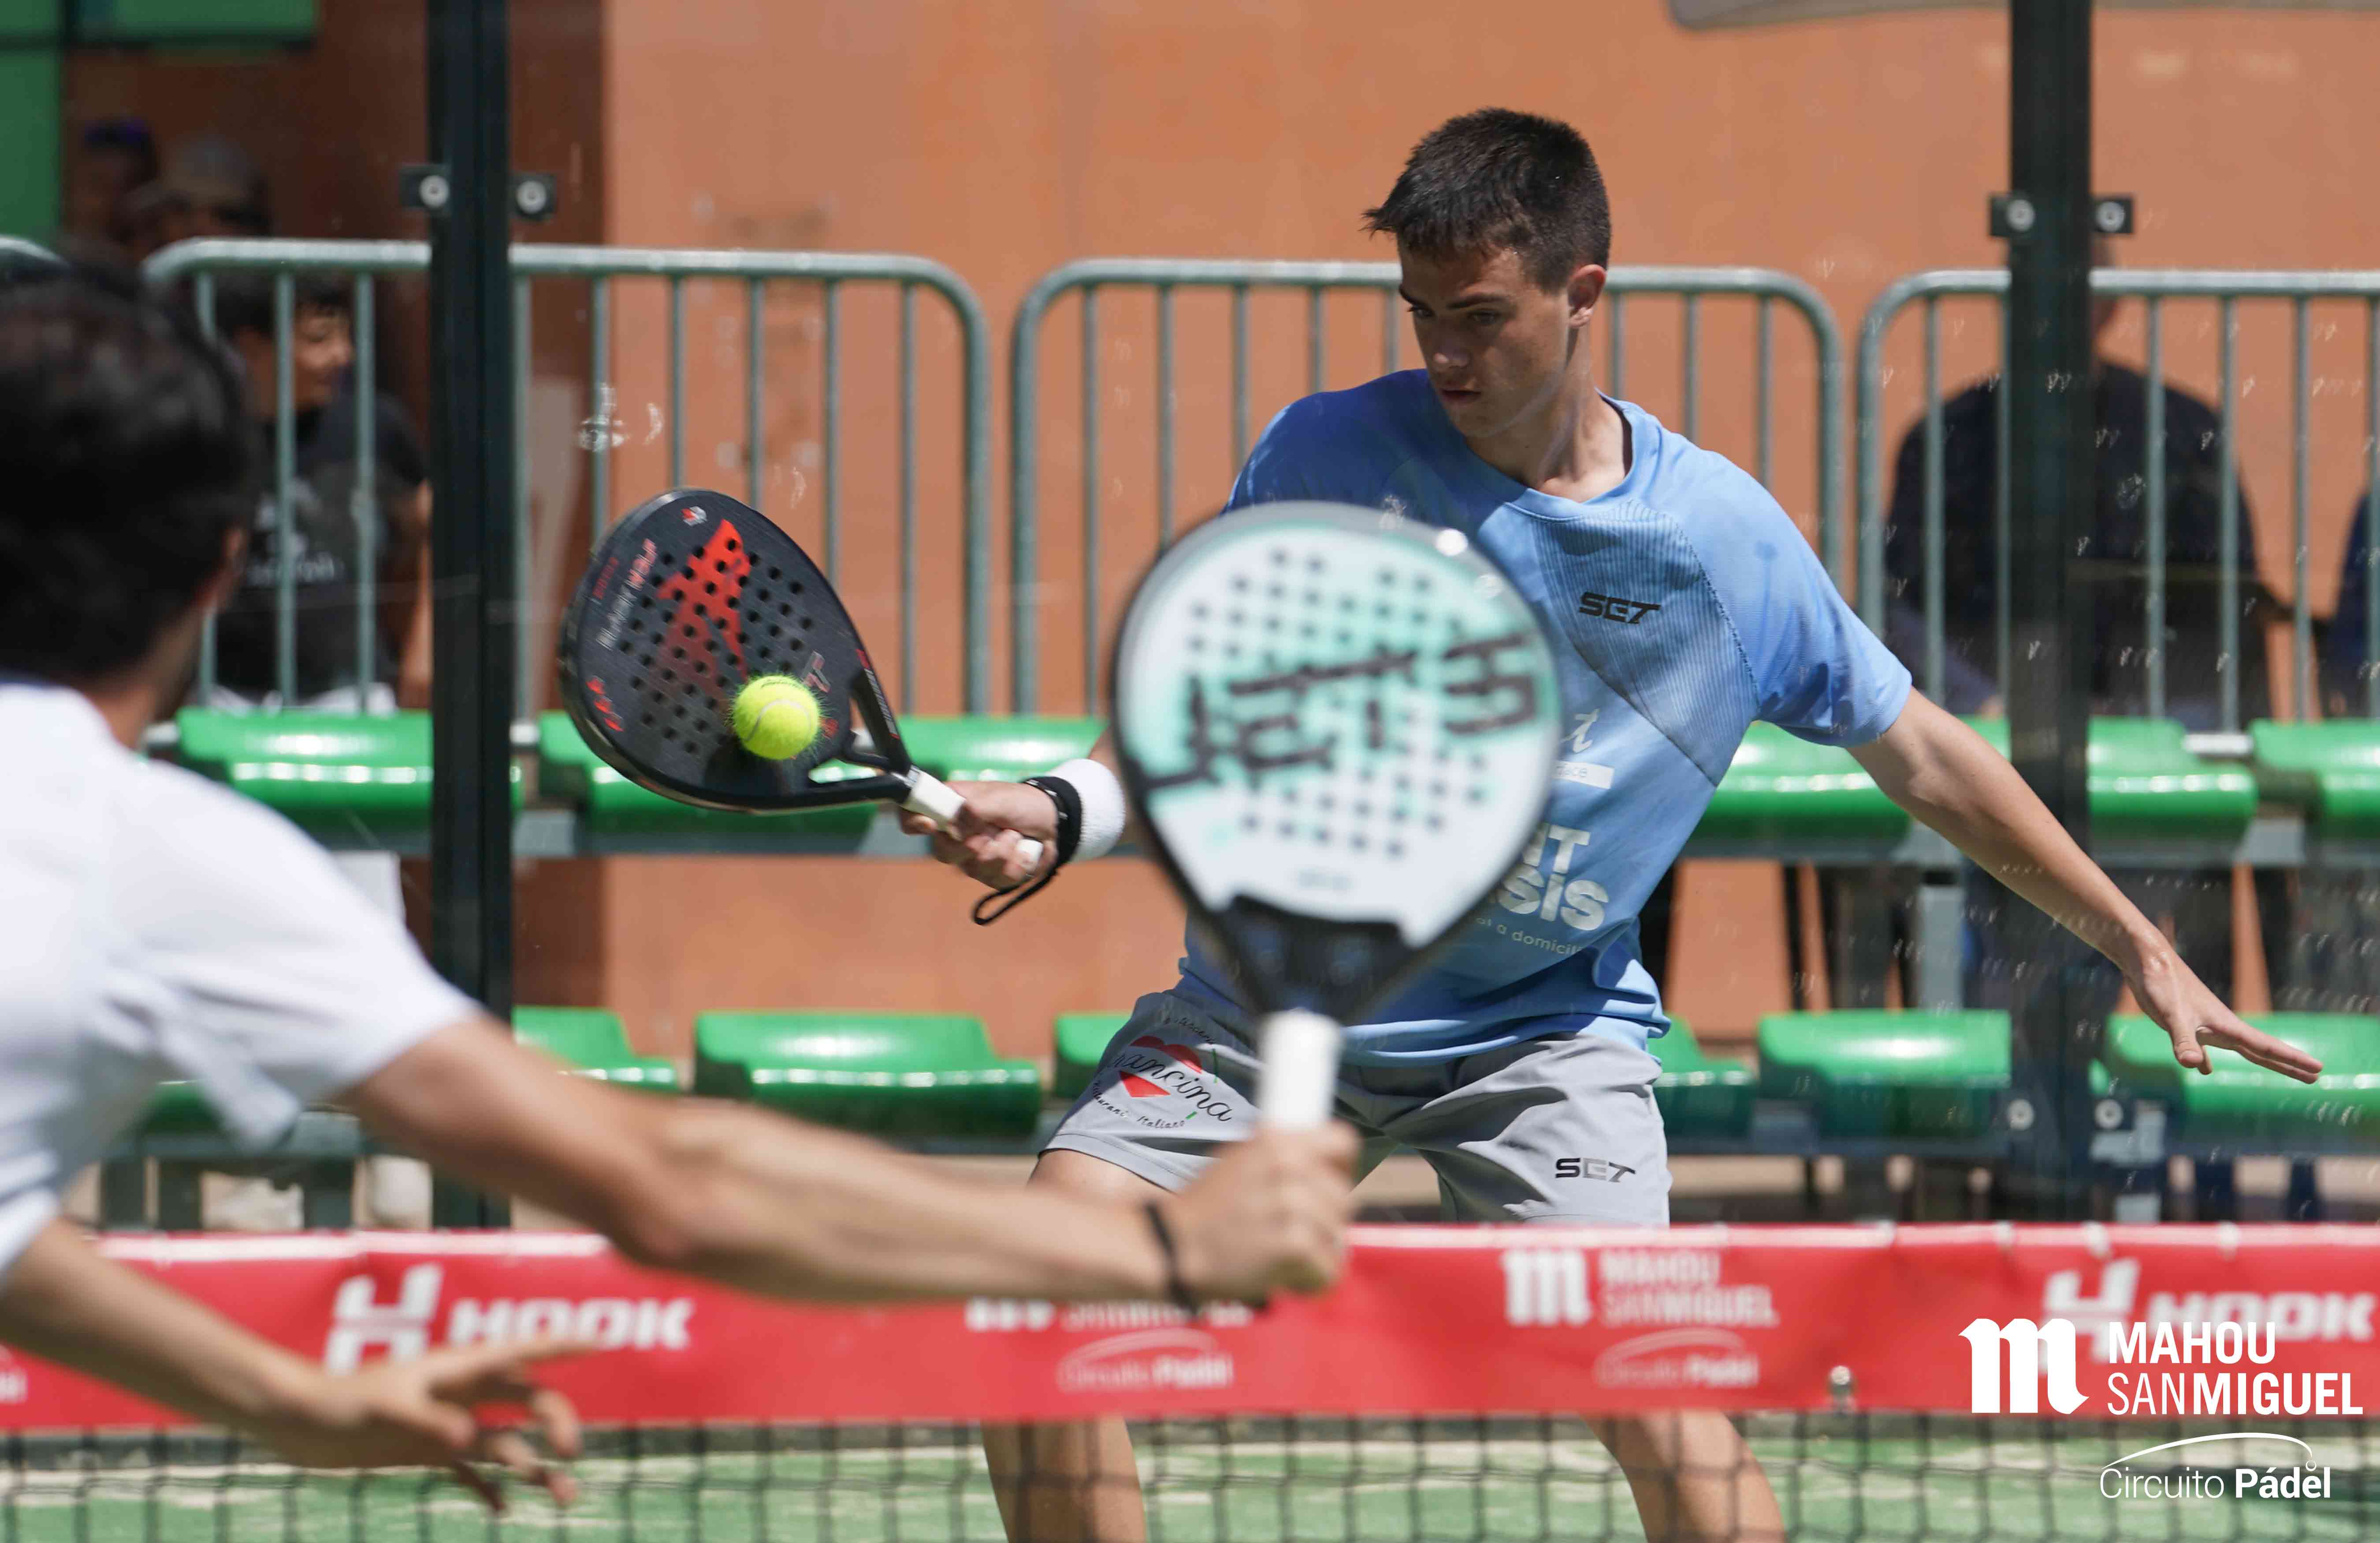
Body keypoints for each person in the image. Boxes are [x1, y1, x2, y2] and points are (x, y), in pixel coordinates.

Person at [905, 110, 2322, 1543]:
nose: (1446, 357)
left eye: (1481, 317)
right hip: (1268, 1014)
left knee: (1662, 1398)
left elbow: (1927, 753)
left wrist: (2136, 941)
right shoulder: (1330, 453)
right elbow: (1196, 701)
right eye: (1420, 315)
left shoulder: (1718, 543)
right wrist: (1068, 808)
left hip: (1543, 1040)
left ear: (1583, 292)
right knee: (1035, 1297)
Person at [0, 272, 1356, 1507]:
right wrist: (1163, 1257)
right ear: (222, 567)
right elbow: (673, 1182)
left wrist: (285, 1398)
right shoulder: (156, 857)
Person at [1846, 241, 2278, 1016]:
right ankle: (1996, 1064)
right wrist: (1977, 705)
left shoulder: (2183, 430)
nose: (2051, 316)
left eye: (2073, 293)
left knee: (2143, 866)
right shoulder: (1948, 435)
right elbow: (1901, 604)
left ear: (2110, 305)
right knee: (1976, 871)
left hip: (2152, 737)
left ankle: (2104, 1037)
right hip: (1994, 735)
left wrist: (2147, 719)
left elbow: (2220, 607)